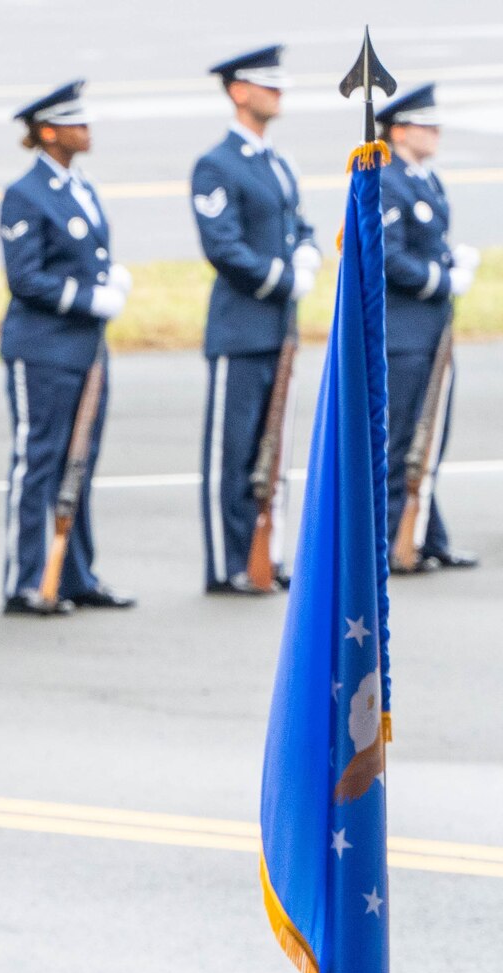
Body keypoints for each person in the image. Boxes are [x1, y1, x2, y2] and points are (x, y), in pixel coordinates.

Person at [0, 79, 137, 616]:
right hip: (42, 348)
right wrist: (89, 297)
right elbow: (26, 278)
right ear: (48, 132)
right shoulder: (25, 194)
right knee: (39, 462)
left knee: (80, 462)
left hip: (84, 349)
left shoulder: (82, 188)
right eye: (76, 124)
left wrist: (107, 283)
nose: (87, 131)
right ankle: (26, 577)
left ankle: (75, 573)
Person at [190, 44, 318, 594]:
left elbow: (299, 225)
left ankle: (270, 552)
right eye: (268, 85)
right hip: (242, 328)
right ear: (239, 92)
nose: (278, 93)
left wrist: (310, 251)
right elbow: (223, 247)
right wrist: (284, 278)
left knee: (273, 449)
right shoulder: (217, 165)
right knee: (235, 452)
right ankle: (229, 563)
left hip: (278, 330)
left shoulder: (276, 161)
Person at [376, 82, 479, 573]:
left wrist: (449, 260)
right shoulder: (387, 180)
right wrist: (442, 278)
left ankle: (427, 533)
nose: (435, 131)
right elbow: (388, 256)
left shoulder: (425, 179)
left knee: (431, 436)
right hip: (405, 334)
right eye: (425, 124)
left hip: (432, 330)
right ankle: (397, 537)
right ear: (398, 131)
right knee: (403, 441)